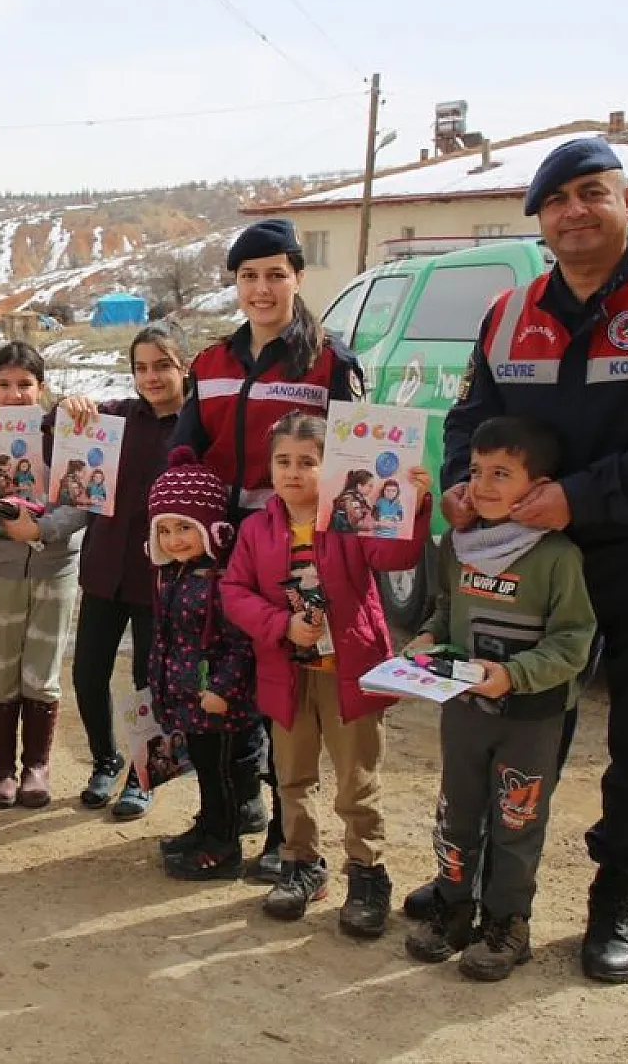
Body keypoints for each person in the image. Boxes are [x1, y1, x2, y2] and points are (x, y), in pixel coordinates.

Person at [436, 137, 628, 984]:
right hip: (532, 563)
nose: (574, 210)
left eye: (591, 193)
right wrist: (463, 481)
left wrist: (583, 495)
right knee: (516, 739)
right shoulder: (509, 314)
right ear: (539, 220)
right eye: (556, 200)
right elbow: (470, 420)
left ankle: (620, 892)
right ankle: (503, 899)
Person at [171, 218, 363, 884]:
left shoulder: (331, 363)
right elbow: (184, 449)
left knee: (289, 697)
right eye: (248, 276)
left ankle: (287, 835)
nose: (261, 287)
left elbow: (355, 466)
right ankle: (222, 815)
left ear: (298, 278)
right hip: (222, 551)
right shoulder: (211, 362)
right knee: (217, 687)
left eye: (275, 273)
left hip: (297, 554)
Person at [221, 412, 431, 938]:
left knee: (356, 784)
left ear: (330, 466)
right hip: (288, 674)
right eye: (283, 461)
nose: (293, 472)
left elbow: (395, 553)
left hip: (349, 673)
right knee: (292, 777)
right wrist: (281, 624)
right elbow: (234, 592)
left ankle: (366, 872)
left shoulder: (351, 518)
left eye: (308, 462)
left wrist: (415, 504)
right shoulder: (256, 528)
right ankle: (301, 863)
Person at [402, 417, 597, 981]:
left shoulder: (556, 557)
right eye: (476, 471)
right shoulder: (456, 545)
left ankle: (508, 924)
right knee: (457, 813)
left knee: (517, 821)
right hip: (463, 713)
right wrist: (426, 641)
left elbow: (573, 641)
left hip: (529, 719)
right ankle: (454, 910)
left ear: (538, 487)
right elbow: (444, 612)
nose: (482, 485)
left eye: (501, 474)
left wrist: (514, 675)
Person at [60, 323, 189, 820]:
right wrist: (69, 405)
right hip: (104, 569)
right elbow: (59, 431)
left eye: (162, 366)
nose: (151, 376)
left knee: (147, 682)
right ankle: (106, 759)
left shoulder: (196, 426)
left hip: (162, 578)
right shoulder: (112, 418)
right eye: (141, 367)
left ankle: (144, 775)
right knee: (87, 673)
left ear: (184, 367)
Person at [0, 342, 87, 808]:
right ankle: (1, 769)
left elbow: (83, 501)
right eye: (4, 385)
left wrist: (42, 529)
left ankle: (37, 765)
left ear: (42, 388)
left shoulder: (67, 433)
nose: (15, 395)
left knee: (44, 666)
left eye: (25, 385)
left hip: (56, 565)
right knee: (0, 666)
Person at [141, 447, 259, 880]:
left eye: (185, 528)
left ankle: (223, 845)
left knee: (223, 774)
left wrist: (222, 690)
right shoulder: (171, 573)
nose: (174, 540)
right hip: (189, 700)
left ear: (210, 528)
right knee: (207, 772)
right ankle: (207, 827)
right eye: (165, 530)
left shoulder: (222, 578)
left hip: (218, 705)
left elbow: (239, 642)